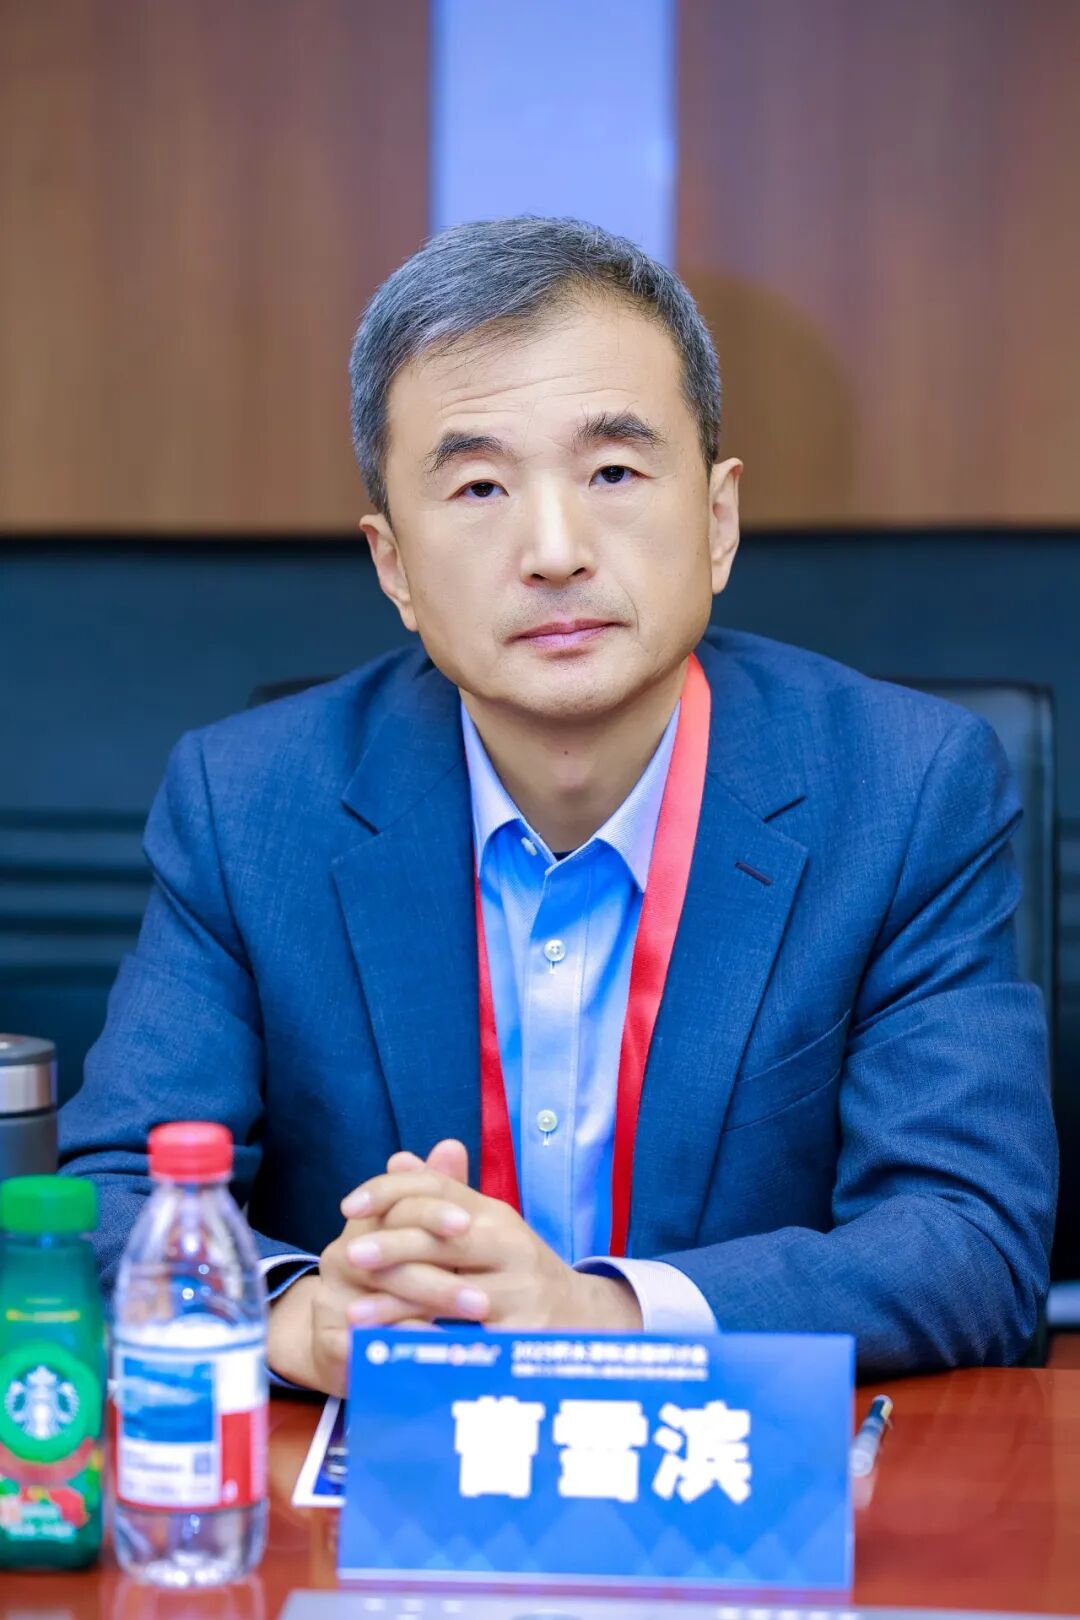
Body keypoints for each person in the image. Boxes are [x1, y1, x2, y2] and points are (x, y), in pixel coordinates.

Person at [59, 216, 1057, 1396]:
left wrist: (595, 1314)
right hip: (386, 1485)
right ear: (393, 566)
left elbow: (971, 1242)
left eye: (613, 473)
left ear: (719, 520)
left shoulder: (904, 789)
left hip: (732, 1474)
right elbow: (104, 1201)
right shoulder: (250, 805)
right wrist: (297, 1315)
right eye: (479, 486)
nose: (553, 550)